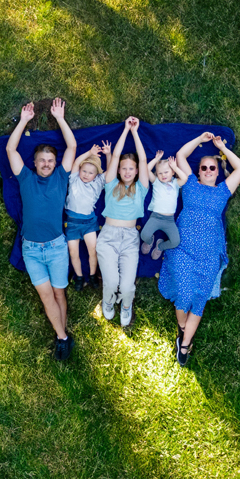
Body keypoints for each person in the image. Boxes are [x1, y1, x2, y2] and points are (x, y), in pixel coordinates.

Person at [158, 132, 240, 366]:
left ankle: (184, 345)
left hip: (208, 256)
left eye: (212, 168)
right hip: (183, 250)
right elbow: (181, 155)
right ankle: (183, 327)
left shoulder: (222, 191)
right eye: (204, 168)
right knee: (185, 295)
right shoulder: (189, 182)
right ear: (198, 172)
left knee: (199, 300)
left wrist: (221, 148)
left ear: (218, 173)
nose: (207, 171)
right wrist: (199, 139)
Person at [6, 98, 77, 361]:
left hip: (57, 247)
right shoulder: (25, 177)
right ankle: (63, 337)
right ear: (34, 163)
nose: (46, 164)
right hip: (32, 250)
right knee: (47, 296)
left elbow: (72, 146)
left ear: (55, 163)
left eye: (50, 160)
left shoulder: (61, 176)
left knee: (59, 292)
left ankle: (62, 335)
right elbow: (11, 150)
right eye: (42, 160)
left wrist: (60, 118)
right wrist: (24, 120)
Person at [96, 116, 149, 327]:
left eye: (131, 169)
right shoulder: (110, 184)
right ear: (118, 169)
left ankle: (126, 305)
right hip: (108, 235)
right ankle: (108, 302)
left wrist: (136, 133)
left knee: (127, 287)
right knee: (111, 282)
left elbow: (144, 160)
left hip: (129, 239)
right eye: (123, 168)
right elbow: (115, 155)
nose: (127, 171)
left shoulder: (141, 189)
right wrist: (126, 130)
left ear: (136, 171)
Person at [65, 141, 112, 291]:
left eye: (90, 173)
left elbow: (111, 171)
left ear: (96, 174)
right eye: (84, 171)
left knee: (93, 250)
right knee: (73, 252)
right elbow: (77, 162)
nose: (86, 175)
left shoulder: (98, 183)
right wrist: (89, 153)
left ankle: (92, 275)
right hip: (72, 222)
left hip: (88, 223)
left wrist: (109, 155)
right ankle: (78, 276)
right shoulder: (74, 179)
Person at [140, 152, 188, 260]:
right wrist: (156, 159)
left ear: (172, 172)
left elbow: (184, 178)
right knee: (144, 235)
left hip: (169, 220)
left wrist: (175, 167)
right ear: (156, 174)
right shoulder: (156, 182)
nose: (163, 175)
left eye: (166, 172)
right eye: (160, 173)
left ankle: (160, 246)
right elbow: (146, 170)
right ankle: (150, 241)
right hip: (155, 217)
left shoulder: (175, 183)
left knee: (175, 242)